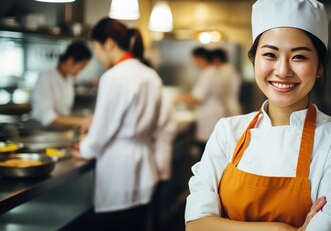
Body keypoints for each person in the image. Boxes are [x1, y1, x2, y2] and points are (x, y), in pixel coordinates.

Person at [185, 0, 331, 231]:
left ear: (320, 67)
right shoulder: (227, 131)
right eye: (270, 54)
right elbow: (195, 225)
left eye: (299, 56)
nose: (282, 71)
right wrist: (282, 229)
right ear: (254, 61)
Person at [74, 17, 170, 230]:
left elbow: (101, 133)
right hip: (145, 165)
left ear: (108, 43)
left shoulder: (114, 77)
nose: (97, 56)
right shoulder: (150, 74)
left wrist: (83, 148)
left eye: (96, 49)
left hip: (119, 171)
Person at [174, 46, 225, 155]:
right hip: (212, 114)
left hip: (209, 116)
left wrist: (178, 99)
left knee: (207, 149)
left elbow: (197, 98)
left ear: (200, 58)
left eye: (194, 59)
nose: (194, 63)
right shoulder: (213, 71)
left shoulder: (209, 73)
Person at [31, 41, 92, 127]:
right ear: (70, 61)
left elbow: (65, 112)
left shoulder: (68, 79)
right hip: (41, 131)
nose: (81, 71)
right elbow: (48, 117)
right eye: (81, 67)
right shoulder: (46, 78)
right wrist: (82, 121)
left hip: (60, 130)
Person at [212, 48, 242, 116]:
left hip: (228, 106)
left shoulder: (226, 70)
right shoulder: (229, 69)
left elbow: (221, 88)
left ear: (216, 59)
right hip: (229, 105)